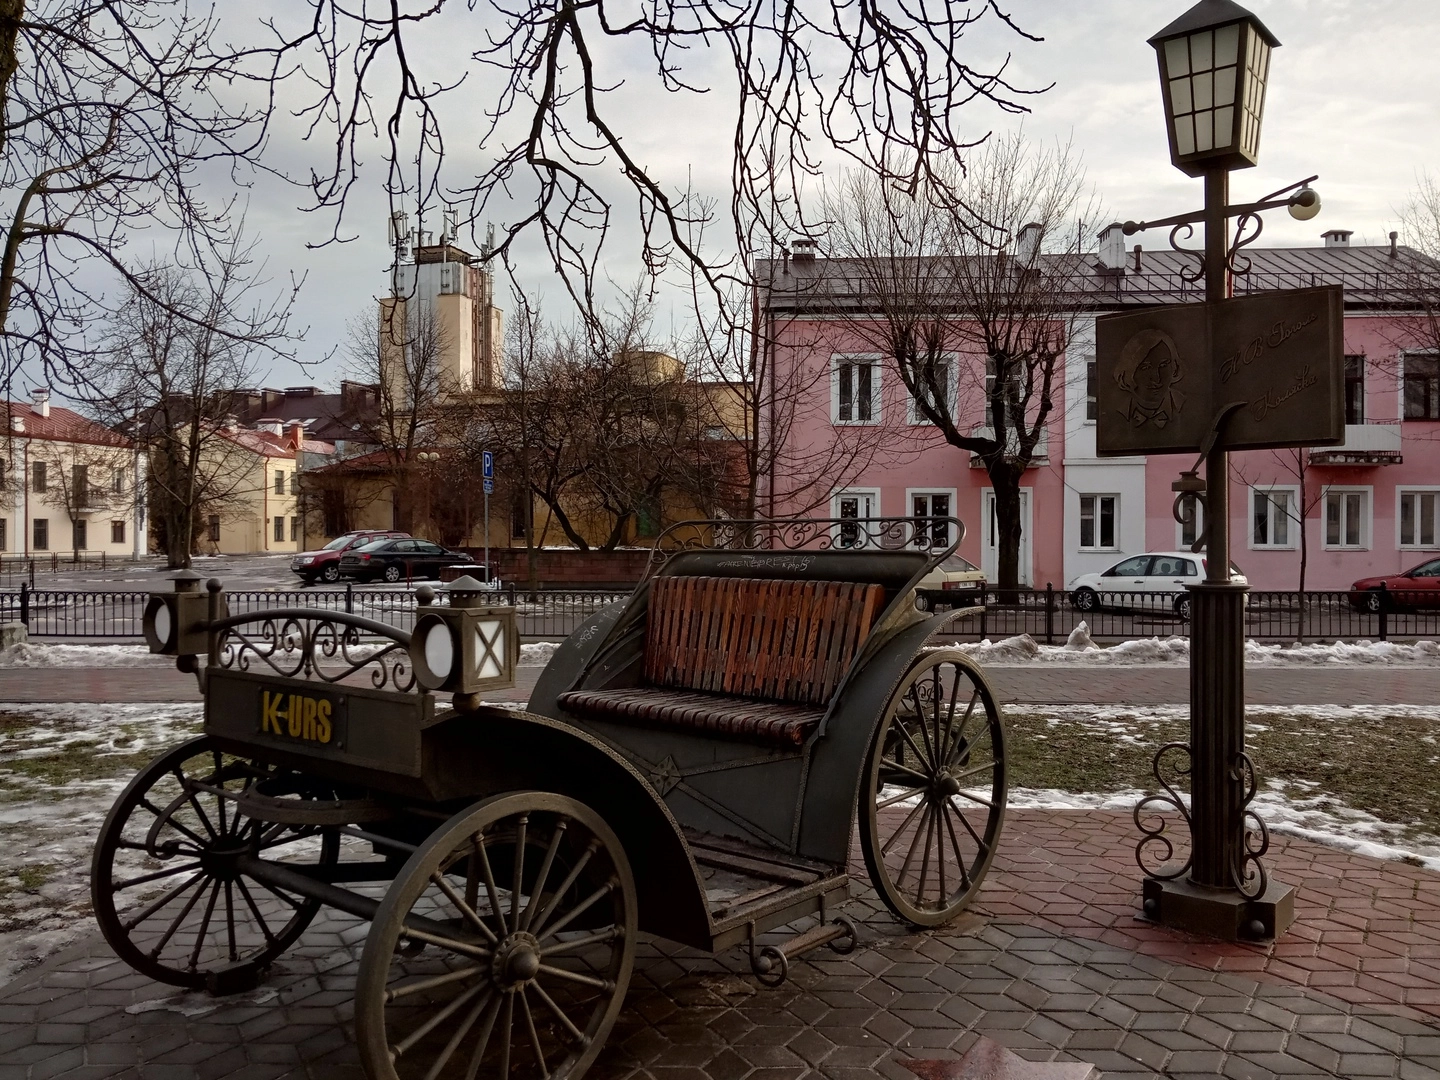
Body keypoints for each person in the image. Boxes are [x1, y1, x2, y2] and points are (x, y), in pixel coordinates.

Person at [1114, 328, 1185, 428]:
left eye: (1163, 365)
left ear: (1174, 367)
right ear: (1127, 372)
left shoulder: (1190, 405)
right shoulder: (1117, 412)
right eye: (1145, 368)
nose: (1156, 378)